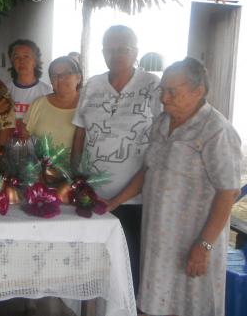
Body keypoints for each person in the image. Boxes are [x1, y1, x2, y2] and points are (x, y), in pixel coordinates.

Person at [108, 58, 241, 316]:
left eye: (172, 92)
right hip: (158, 239)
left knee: (191, 306)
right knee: (153, 303)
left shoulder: (216, 130)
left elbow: (229, 191)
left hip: (193, 241)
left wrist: (204, 246)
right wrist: (112, 203)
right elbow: (148, 171)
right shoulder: (161, 123)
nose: (164, 99)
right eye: (162, 90)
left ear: (198, 91)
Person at [71, 25, 161, 294]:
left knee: (130, 267)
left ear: (136, 51)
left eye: (123, 48)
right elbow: (79, 133)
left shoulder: (153, 86)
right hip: (93, 197)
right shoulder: (92, 86)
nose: (116, 54)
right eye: (110, 48)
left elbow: (159, 146)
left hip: (134, 200)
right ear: (102, 52)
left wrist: (118, 201)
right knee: (92, 266)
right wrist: (76, 178)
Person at [23, 55, 82, 150]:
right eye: (54, 76)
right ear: (51, 81)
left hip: (78, 165)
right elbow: (24, 137)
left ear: (78, 78)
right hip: (41, 164)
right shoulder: (39, 104)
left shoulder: (88, 106)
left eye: (67, 73)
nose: (60, 78)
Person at [6, 39, 52, 137]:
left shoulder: (47, 91)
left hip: (38, 149)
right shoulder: (4, 90)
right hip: (10, 148)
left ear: (35, 61)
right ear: (12, 62)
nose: (21, 61)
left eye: (26, 56)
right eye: (16, 57)